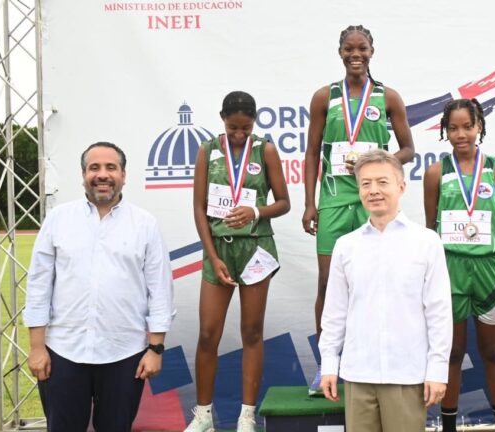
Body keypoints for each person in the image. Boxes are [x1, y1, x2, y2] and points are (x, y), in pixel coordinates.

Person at [23, 142, 175, 432]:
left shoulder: (145, 224)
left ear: (123, 175)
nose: (102, 175)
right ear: (83, 175)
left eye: (110, 168)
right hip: (62, 352)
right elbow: (39, 285)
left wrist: (155, 348)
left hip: (124, 353)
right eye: (94, 168)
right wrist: (36, 347)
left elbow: (160, 290)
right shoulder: (58, 219)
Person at [302, 24, 415, 396]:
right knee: (327, 283)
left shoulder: (388, 97)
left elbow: (408, 150)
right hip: (334, 200)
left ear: (372, 51)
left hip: (374, 198)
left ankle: (368, 364)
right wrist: (309, 203)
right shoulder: (324, 97)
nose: (356, 54)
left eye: (362, 48)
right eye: (349, 49)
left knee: (376, 282)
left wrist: (376, 163)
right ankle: (326, 367)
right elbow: (312, 152)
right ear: (339, 52)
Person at [319, 149, 452, 432]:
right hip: (358, 374)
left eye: (382, 182)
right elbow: (334, 312)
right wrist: (329, 364)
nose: (374, 191)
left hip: (407, 374)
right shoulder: (346, 245)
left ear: (401, 187)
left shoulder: (426, 242)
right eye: (366, 184)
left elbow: (439, 312)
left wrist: (438, 370)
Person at [184, 91, 291, 432]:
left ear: (255, 120)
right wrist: (212, 257)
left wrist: (255, 211)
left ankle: (247, 415)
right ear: (222, 119)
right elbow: (199, 208)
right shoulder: (207, 151)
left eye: (246, 127)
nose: (240, 135)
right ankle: (203, 416)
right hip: (219, 251)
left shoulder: (266, 150)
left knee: (252, 332)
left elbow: (284, 202)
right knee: (207, 334)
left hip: (256, 248)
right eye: (233, 128)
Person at [423, 99, 495, 432]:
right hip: (451, 271)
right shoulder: (436, 172)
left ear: (480, 127)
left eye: (467, 126)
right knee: (453, 352)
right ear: (445, 131)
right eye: (453, 127)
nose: (461, 134)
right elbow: (431, 227)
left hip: (488, 270)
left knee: (492, 351)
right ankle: (448, 427)